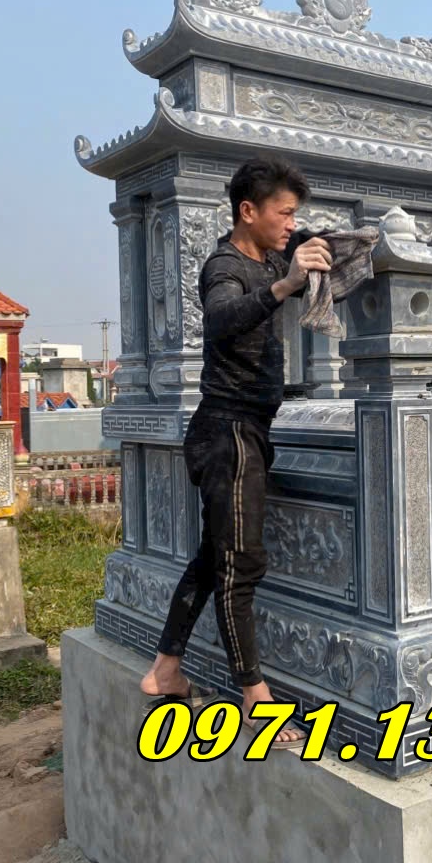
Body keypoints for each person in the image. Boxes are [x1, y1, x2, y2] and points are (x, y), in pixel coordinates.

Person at [139, 157, 332, 748]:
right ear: (248, 211)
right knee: (239, 565)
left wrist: (336, 246)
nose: (290, 225)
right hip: (228, 432)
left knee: (213, 556)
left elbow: (313, 247)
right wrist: (285, 285)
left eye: (294, 216)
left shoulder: (274, 254)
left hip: (249, 429)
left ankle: (165, 670)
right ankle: (255, 701)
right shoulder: (225, 266)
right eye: (283, 213)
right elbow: (223, 318)